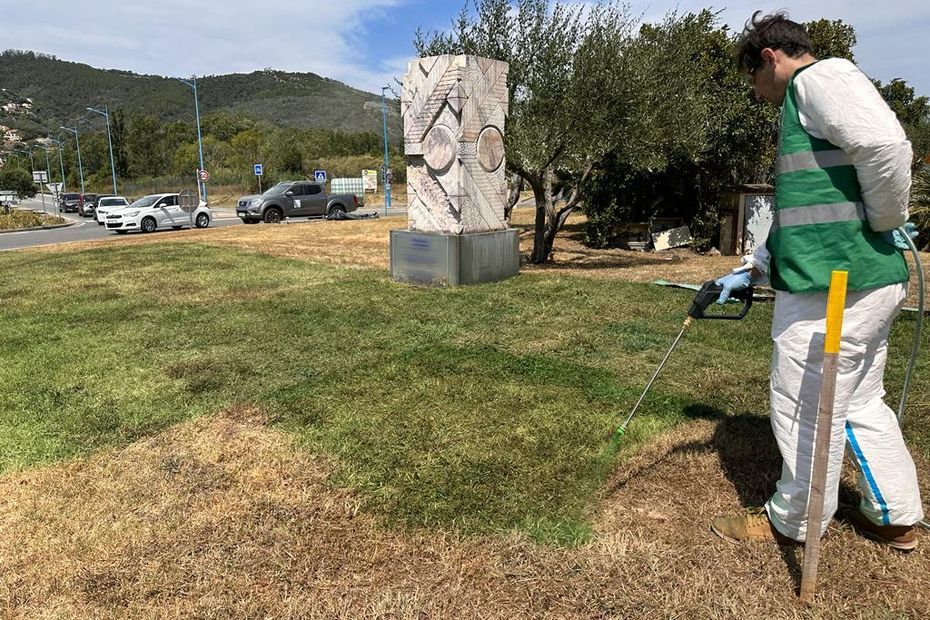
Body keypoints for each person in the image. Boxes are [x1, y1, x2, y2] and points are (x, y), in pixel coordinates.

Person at [709, 11, 923, 551]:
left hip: (834, 286)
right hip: (862, 278)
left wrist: (885, 218)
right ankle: (895, 515)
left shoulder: (817, 81)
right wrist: (754, 267)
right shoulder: (812, 103)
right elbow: (803, 214)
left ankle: (796, 520)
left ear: (769, 58)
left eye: (754, 81)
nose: (758, 95)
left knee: (803, 402)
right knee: (858, 402)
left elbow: (888, 148)